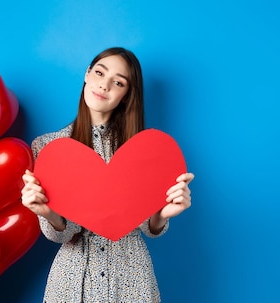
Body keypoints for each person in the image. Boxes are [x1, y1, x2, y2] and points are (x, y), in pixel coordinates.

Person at [21, 47, 194, 303]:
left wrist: (162, 215)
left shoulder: (144, 151)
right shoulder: (47, 147)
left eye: (118, 82)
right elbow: (61, 235)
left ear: (126, 95)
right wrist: (46, 212)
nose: (104, 85)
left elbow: (148, 226)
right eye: (100, 73)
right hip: (71, 282)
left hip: (131, 280)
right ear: (87, 74)